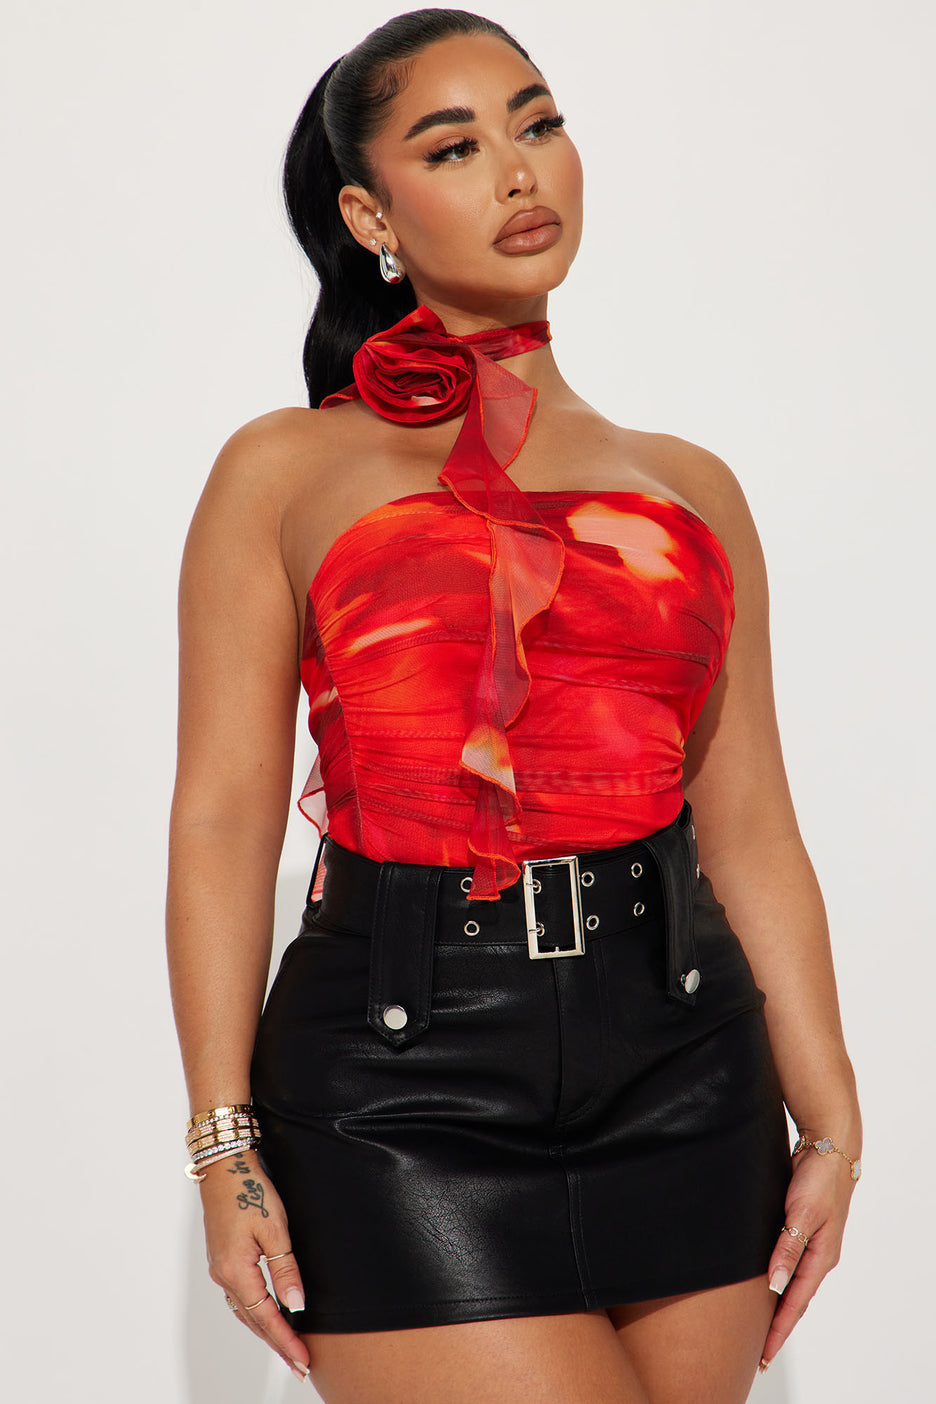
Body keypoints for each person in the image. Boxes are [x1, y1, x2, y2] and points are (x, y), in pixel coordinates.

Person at [165, 9, 862, 1402]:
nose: (519, 169)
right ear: (369, 215)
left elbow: (752, 829)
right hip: (398, 1079)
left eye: (538, 123)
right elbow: (226, 819)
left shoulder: (690, 486)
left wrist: (831, 1114)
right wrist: (222, 1143)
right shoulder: (283, 469)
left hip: (688, 1063)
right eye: (455, 146)